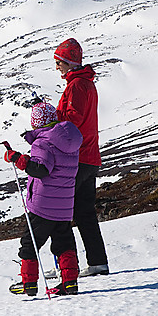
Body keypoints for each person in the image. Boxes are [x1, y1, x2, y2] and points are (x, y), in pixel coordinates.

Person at [4, 102, 83, 296]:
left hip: (43, 205)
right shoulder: (70, 141)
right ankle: (70, 283)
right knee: (64, 244)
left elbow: (40, 170)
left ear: (36, 123)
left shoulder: (43, 142)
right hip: (64, 206)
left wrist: (17, 159)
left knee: (30, 243)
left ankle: (28, 284)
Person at [54, 38, 109, 276]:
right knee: (85, 213)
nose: (57, 67)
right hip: (90, 157)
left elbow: (72, 121)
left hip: (76, 158)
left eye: (59, 62)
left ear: (69, 62)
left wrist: (50, 122)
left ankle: (68, 268)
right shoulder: (87, 84)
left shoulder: (76, 86)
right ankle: (97, 262)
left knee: (60, 211)